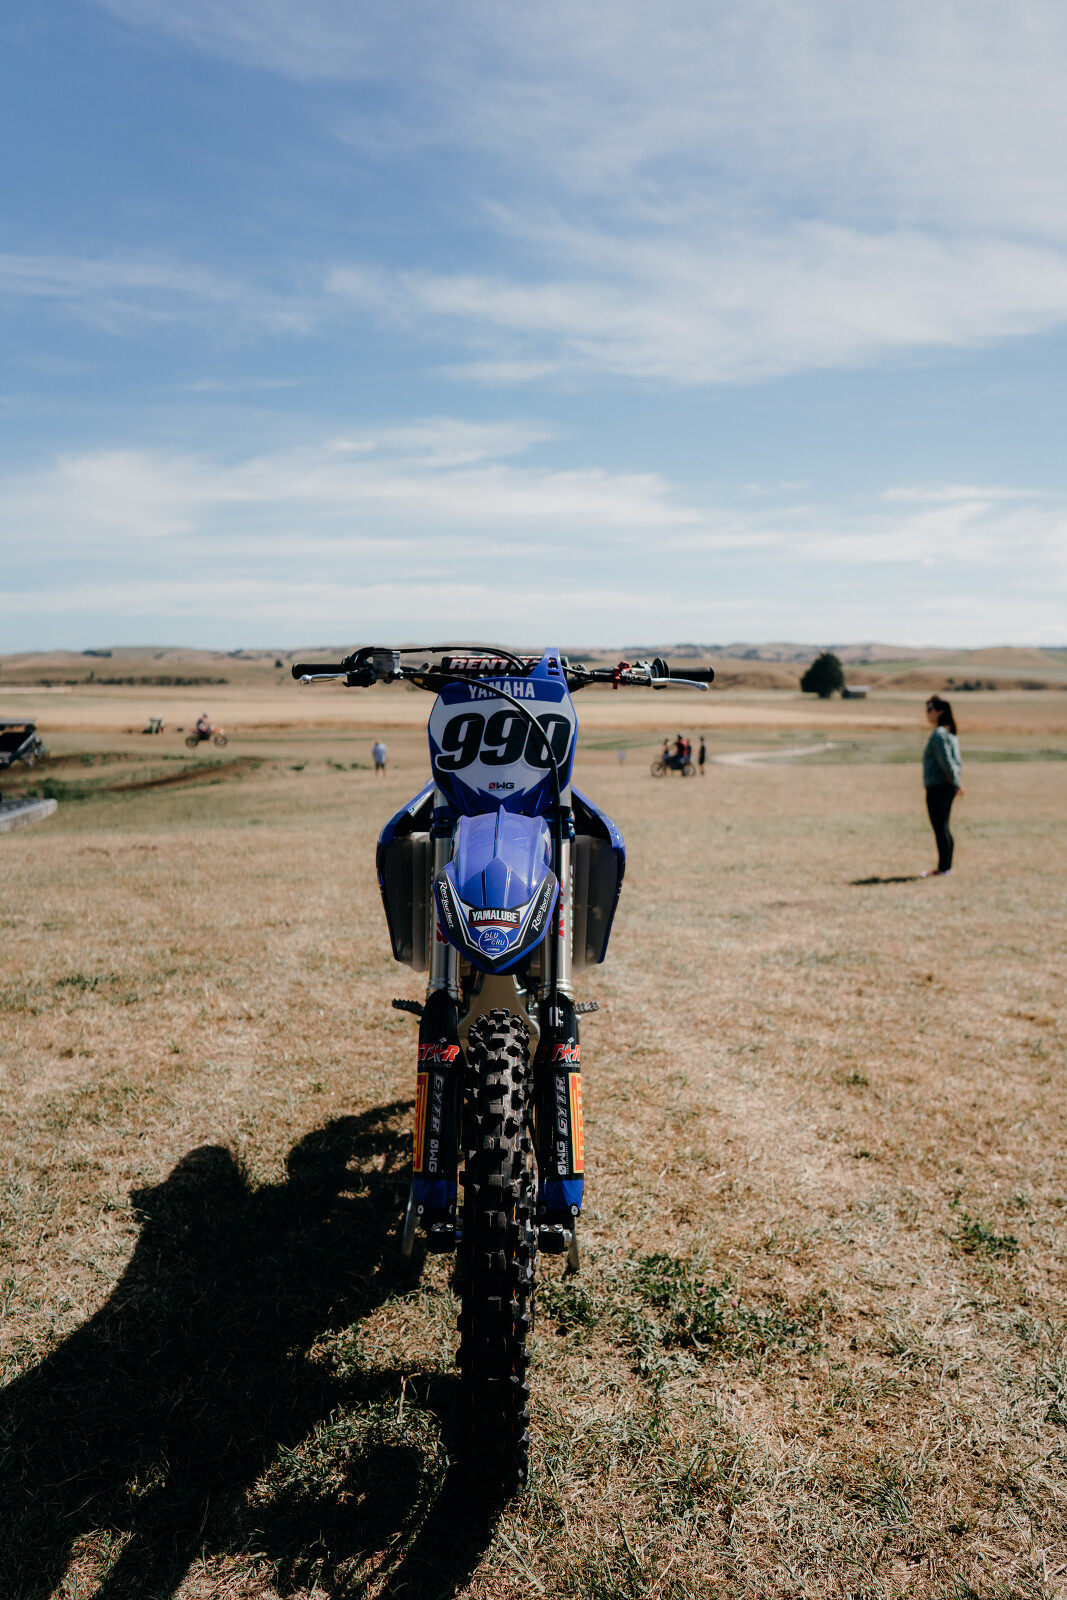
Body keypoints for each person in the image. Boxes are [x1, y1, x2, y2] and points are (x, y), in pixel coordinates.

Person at [922, 696, 963, 876]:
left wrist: (956, 783)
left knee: (940, 827)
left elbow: (946, 762)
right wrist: (956, 782)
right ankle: (945, 867)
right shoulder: (949, 733)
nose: (927, 713)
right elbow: (956, 763)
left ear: (940, 711)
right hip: (945, 786)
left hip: (939, 787)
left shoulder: (939, 734)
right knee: (943, 826)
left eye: (930, 709)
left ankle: (944, 868)